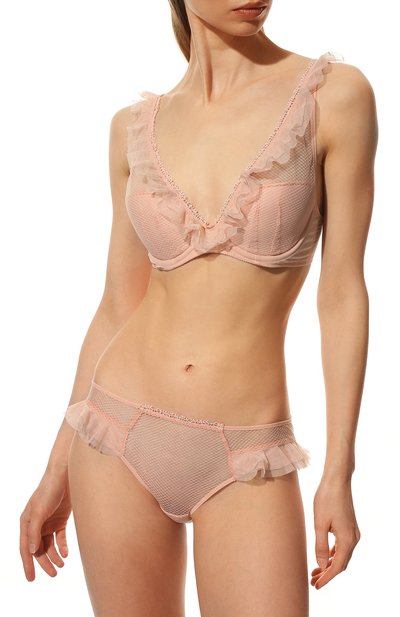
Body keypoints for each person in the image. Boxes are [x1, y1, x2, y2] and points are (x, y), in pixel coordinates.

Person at [19, 1, 378, 615]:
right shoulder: (133, 128)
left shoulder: (333, 97)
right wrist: (57, 466)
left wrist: (339, 473)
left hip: (248, 453)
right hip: (117, 436)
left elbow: (342, 293)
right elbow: (117, 305)